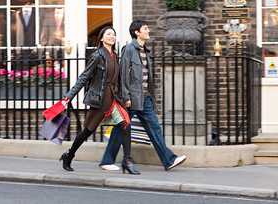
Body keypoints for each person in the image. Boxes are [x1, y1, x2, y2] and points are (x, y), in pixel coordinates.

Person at [100, 20, 187, 171]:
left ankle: (169, 160)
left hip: (145, 98)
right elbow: (123, 75)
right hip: (132, 98)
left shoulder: (145, 51)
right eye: (145, 29)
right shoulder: (129, 49)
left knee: (154, 128)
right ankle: (107, 160)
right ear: (137, 32)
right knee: (120, 128)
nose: (148, 31)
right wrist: (126, 97)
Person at [60, 26, 140, 175]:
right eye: (108, 34)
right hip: (101, 99)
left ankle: (127, 162)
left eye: (114, 34)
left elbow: (119, 79)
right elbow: (84, 77)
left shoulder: (115, 55)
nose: (112, 36)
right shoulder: (98, 56)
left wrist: (125, 96)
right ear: (102, 38)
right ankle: (69, 155)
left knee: (126, 124)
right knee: (87, 131)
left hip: (115, 98)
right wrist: (68, 97)